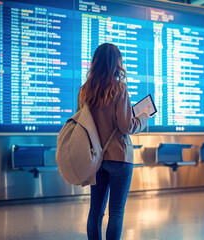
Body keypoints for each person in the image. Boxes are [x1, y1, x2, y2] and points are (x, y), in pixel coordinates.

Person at [77, 43, 149, 240]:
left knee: (95, 212)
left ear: (95, 63)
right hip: (119, 158)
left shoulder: (84, 92)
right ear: (116, 64)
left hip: (96, 159)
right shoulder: (119, 89)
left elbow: (82, 124)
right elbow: (126, 127)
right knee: (116, 212)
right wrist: (143, 117)